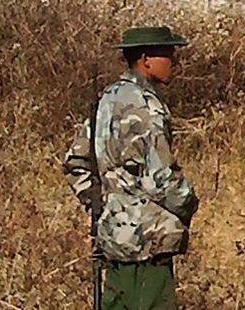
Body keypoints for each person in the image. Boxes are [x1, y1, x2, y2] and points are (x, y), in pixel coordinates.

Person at [64, 26, 199, 310]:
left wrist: (103, 207)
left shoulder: (106, 100)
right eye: (168, 55)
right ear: (146, 59)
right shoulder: (147, 108)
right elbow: (160, 179)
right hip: (148, 242)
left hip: (113, 238)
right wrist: (188, 203)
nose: (174, 62)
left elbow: (76, 162)